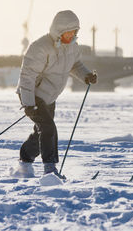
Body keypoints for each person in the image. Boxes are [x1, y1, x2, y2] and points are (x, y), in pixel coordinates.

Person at [12, 10, 97, 178]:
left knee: (42, 132)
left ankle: (24, 161)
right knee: (49, 128)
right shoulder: (40, 47)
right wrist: (28, 104)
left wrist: (86, 75)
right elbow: (27, 77)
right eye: (68, 32)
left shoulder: (72, 46)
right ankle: (50, 171)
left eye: (74, 32)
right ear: (58, 31)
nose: (72, 35)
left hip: (49, 96)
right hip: (32, 94)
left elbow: (75, 64)